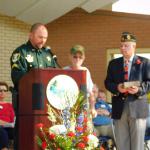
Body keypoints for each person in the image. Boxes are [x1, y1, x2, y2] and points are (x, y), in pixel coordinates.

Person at [10, 23, 59, 150]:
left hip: (47, 104)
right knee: (25, 137)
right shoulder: (20, 53)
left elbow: (55, 76)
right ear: (30, 35)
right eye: (40, 37)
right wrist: (36, 80)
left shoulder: (48, 54)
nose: (43, 40)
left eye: (45, 38)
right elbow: (17, 77)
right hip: (27, 104)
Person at [105, 32, 150, 150]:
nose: (122, 48)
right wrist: (117, 88)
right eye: (121, 45)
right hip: (120, 107)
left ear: (134, 46)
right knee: (122, 144)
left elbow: (149, 82)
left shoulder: (145, 63)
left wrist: (139, 90)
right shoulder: (113, 63)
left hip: (138, 107)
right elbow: (107, 82)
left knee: (137, 145)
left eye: (126, 45)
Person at [63, 44, 97, 117]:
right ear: (70, 57)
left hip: (82, 105)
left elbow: (91, 92)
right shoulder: (64, 71)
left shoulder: (85, 71)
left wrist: (93, 108)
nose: (77, 59)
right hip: (67, 106)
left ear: (83, 58)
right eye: (75, 57)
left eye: (80, 57)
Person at [0, 82, 15, 150]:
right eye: (0, 90)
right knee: (3, 132)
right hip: (1, 129)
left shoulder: (9, 106)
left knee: (19, 132)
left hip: (9, 128)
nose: (2, 92)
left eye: (5, 90)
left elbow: (12, 121)